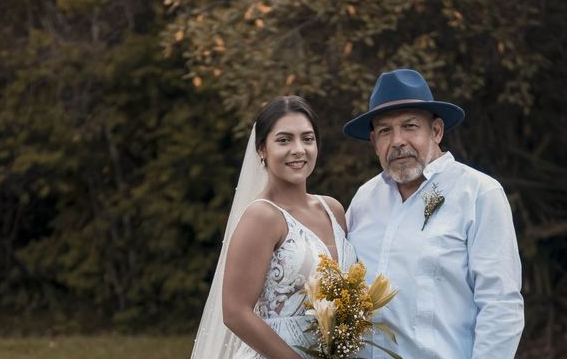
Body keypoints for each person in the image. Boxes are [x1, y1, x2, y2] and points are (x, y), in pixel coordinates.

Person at [343, 68, 524, 359]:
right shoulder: (364, 198)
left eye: (410, 126)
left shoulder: (478, 193)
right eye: (385, 131)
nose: (398, 140)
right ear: (374, 142)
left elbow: (500, 305)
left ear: (436, 131)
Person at [191, 96, 357, 359]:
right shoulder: (262, 217)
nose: (298, 149)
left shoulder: (333, 209)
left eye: (307, 138)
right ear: (262, 149)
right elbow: (235, 312)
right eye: (284, 140)